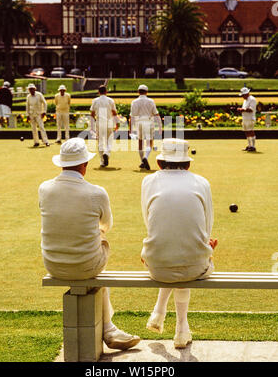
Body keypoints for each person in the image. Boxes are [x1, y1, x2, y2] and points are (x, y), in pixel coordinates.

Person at [39, 138, 140, 350]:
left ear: (61, 163)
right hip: (86, 265)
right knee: (100, 241)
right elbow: (106, 225)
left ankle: (109, 329)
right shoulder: (96, 192)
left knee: (91, 247)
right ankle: (109, 328)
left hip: (52, 265)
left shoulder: (44, 188)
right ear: (84, 165)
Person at [141, 138, 218, 348]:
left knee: (170, 255)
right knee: (186, 257)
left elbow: (149, 224)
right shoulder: (202, 182)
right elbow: (207, 225)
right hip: (195, 266)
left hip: (158, 266)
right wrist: (207, 246)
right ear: (188, 164)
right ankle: (181, 328)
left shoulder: (148, 181)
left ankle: (159, 311)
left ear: (159, 163)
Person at [129, 84, 162, 170]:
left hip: (139, 122)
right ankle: (145, 158)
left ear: (138, 92)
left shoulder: (134, 102)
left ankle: (142, 161)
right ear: (147, 92)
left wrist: (130, 130)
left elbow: (132, 117)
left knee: (140, 142)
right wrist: (160, 126)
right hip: (148, 122)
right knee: (149, 142)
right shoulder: (151, 101)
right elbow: (156, 114)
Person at [90, 85, 119, 168]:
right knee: (109, 140)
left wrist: (92, 126)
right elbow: (114, 113)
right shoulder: (110, 100)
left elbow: (92, 114)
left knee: (100, 142)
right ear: (106, 91)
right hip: (109, 122)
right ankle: (107, 153)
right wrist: (117, 124)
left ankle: (102, 161)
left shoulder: (95, 101)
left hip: (99, 122)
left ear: (99, 92)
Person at [26, 83, 50, 147]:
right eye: (30, 89)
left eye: (32, 89)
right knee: (34, 128)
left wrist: (44, 112)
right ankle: (36, 142)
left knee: (41, 127)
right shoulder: (28, 96)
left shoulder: (39, 95)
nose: (31, 90)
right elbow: (27, 106)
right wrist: (27, 115)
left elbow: (45, 103)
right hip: (31, 114)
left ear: (34, 89)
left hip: (39, 114)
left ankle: (46, 141)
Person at [237, 87, 257, 152]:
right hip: (245, 118)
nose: (242, 96)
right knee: (246, 131)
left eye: (243, 95)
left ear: (246, 94)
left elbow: (251, 109)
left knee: (250, 131)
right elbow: (245, 108)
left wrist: (242, 109)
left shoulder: (252, 99)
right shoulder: (245, 100)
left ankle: (253, 146)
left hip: (250, 118)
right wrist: (241, 110)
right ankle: (249, 145)